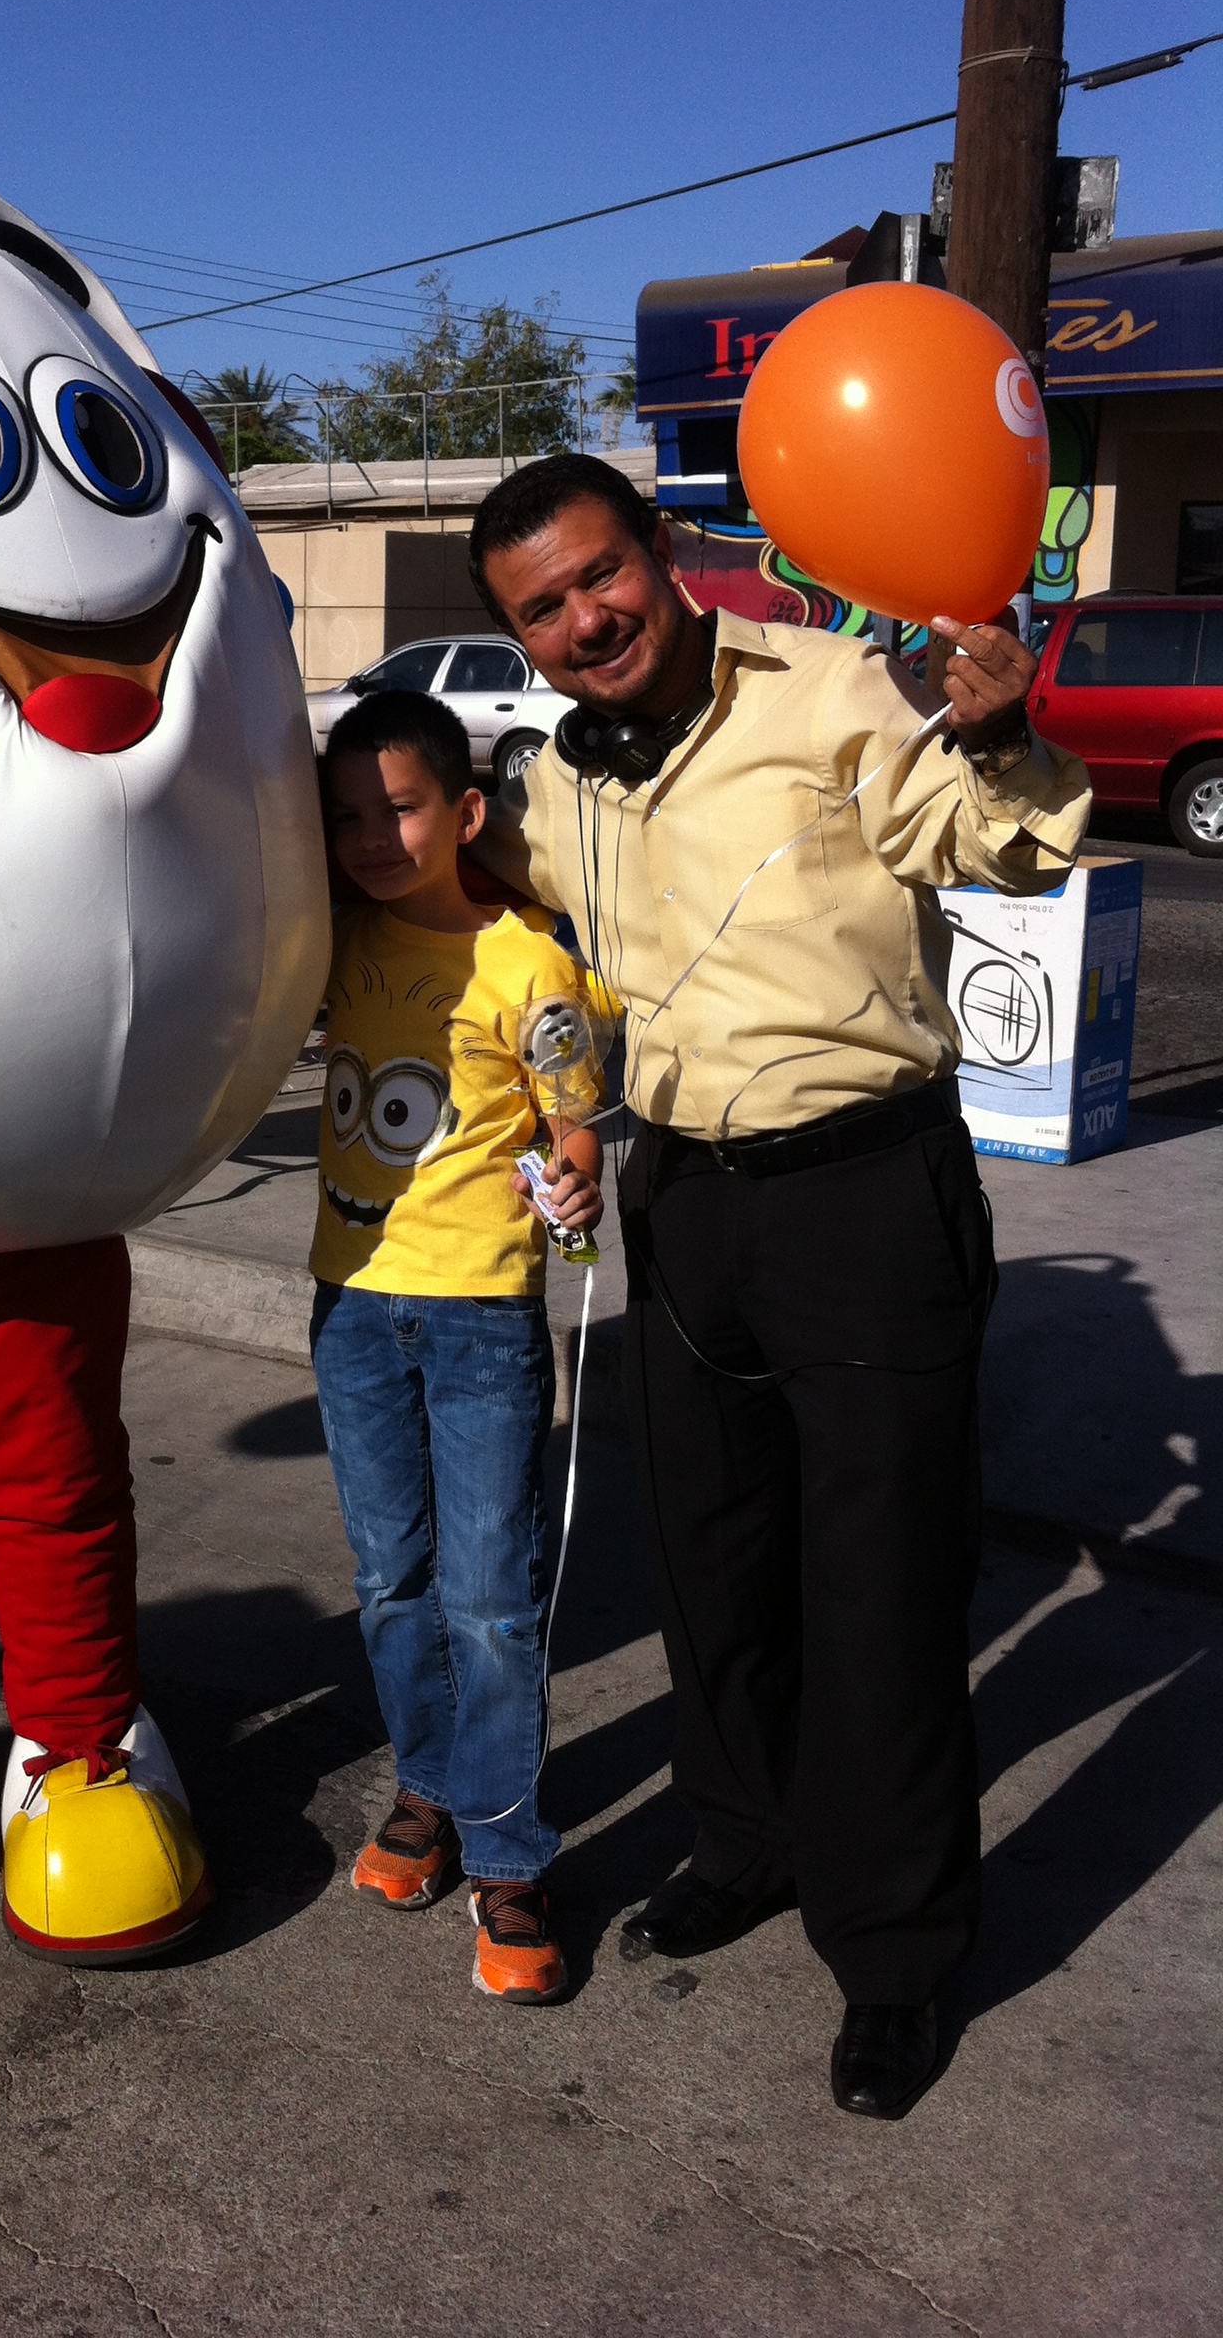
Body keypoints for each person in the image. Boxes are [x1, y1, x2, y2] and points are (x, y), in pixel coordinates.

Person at [466, 451, 1090, 2114]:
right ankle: (744, 1844)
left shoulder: (827, 691)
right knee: (713, 1559)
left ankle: (894, 1953)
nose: (585, 619)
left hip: (864, 1192)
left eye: (599, 574)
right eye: (543, 610)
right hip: (681, 1199)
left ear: (662, 553)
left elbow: (997, 843)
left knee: (880, 1589)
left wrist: (1000, 729)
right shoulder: (556, 782)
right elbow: (475, 885)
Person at [313, 688, 605, 2006]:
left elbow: (575, 1115)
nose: (375, 838)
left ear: (466, 811)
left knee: (489, 1598)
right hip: (351, 1305)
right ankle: (428, 1787)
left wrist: (577, 1174)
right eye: (349, 818)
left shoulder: (530, 965)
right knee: (392, 1580)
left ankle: (505, 1855)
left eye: (403, 809)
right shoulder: (329, 941)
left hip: (484, 1314)